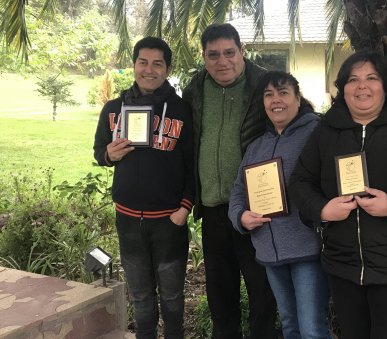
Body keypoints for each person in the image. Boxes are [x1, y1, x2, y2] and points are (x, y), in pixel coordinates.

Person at [289, 51, 387, 339]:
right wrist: (323, 210)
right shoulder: (326, 131)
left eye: (371, 78)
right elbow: (299, 181)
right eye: (353, 79)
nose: (362, 86)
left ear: (385, 86)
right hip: (343, 265)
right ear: (343, 88)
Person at [93, 36, 193, 339]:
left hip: (168, 222)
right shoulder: (113, 108)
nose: (149, 70)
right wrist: (109, 154)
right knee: (140, 297)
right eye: (143, 62)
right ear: (134, 65)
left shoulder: (181, 110)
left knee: (173, 298)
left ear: (167, 68)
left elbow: (192, 163)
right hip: (128, 222)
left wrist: (185, 207)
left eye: (157, 64)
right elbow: (99, 151)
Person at [181, 23, 277, 339]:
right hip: (213, 211)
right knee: (221, 297)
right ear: (204, 57)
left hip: (256, 212)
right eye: (213, 55)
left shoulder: (265, 83)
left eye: (229, 53)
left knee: (263, 293)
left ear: (241, 51)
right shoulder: (195, 89)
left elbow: (298, 119)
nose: (223, 62)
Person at [228, 71, 331, 339]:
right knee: (289, 325)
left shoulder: (318, 132)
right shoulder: (257, 146)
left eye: (283, 93)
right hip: (270, 252)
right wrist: (240, 217)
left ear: (298, 99)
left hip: (307, 249)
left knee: (312, 329)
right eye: (269, 94)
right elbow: (238, 190)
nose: (276, 100)